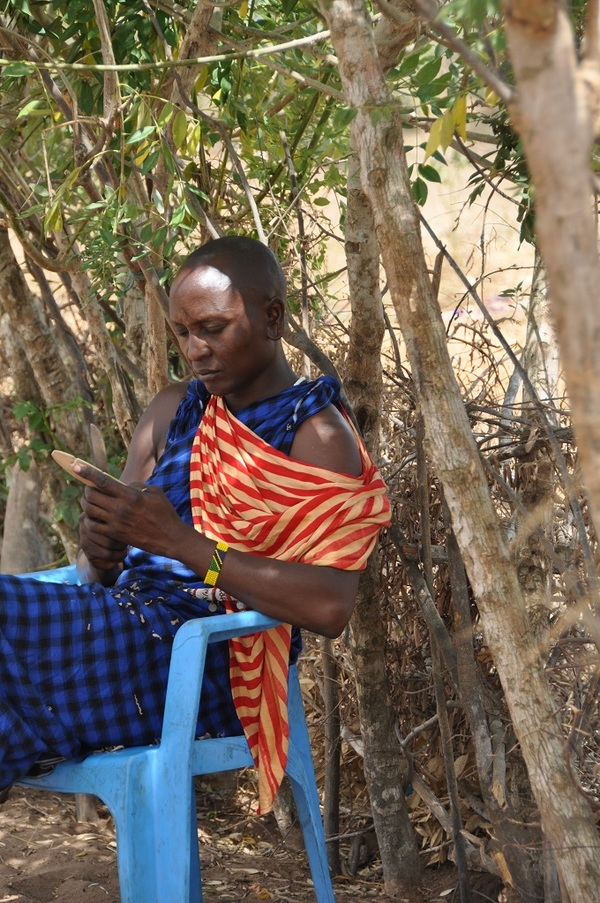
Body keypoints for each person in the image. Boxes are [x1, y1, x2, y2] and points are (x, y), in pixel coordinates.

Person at [0, 236, 390, 810]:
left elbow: (331, 606)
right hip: (119, 629)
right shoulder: (174, 410)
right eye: (183, 333)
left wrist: (183, 544)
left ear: (273, 318)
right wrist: (101, 550)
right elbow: (97, 574)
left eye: (213, 328)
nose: (196, 350)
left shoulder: (316, 434)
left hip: (211, 663)